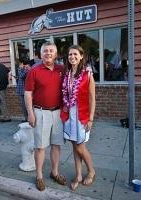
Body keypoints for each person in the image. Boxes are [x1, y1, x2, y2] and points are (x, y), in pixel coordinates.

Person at [24, 42, 67, 191]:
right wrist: (30, 113)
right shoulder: (34, 71)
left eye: (51, 51)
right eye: (45, 51)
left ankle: (54, 172)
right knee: (40, 146)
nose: (48, 53)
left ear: (56, 54)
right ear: (41, 54)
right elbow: (28, 93)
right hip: (40, 112)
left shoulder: (62, 70)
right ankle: (39, 176)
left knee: (56, 145)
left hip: (58, 113)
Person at [60, 45, 96, 190]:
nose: (72, 57)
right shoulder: (66, 73)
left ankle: (91, 171)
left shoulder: (87, 74)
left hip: (82, 116)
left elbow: (93, 98)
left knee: (81, 148)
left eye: (75, 54)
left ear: (81, 56)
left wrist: (91, 118)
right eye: (70, 55)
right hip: (70, 115)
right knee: (75, 147)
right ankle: (79, 175)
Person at [16, 58, 30, 122]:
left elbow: (21, 76)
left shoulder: (26, 69)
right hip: (21, 89)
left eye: (19, 63)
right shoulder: (24, 69)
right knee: (23, 105)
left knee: (25, 105)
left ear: (22, 63)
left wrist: (20, 69)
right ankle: (26, 118)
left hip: (24, 90)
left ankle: (27, 118)